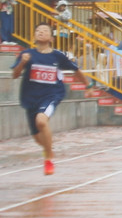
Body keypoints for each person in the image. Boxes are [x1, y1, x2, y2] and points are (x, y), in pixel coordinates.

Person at [11, 22, 89, 175]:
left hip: (51, 95)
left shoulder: (57, 56)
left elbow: (76, 70)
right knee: (38, 138)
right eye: (38, 30)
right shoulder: (27, 54)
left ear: (51, 38)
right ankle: (49, 150)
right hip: (30, 98)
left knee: (41, 121)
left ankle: (48, 159)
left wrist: (88, 85)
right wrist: (22, 62)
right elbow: (14, 75)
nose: (41, 32)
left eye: (45, 30)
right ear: (34, 36)